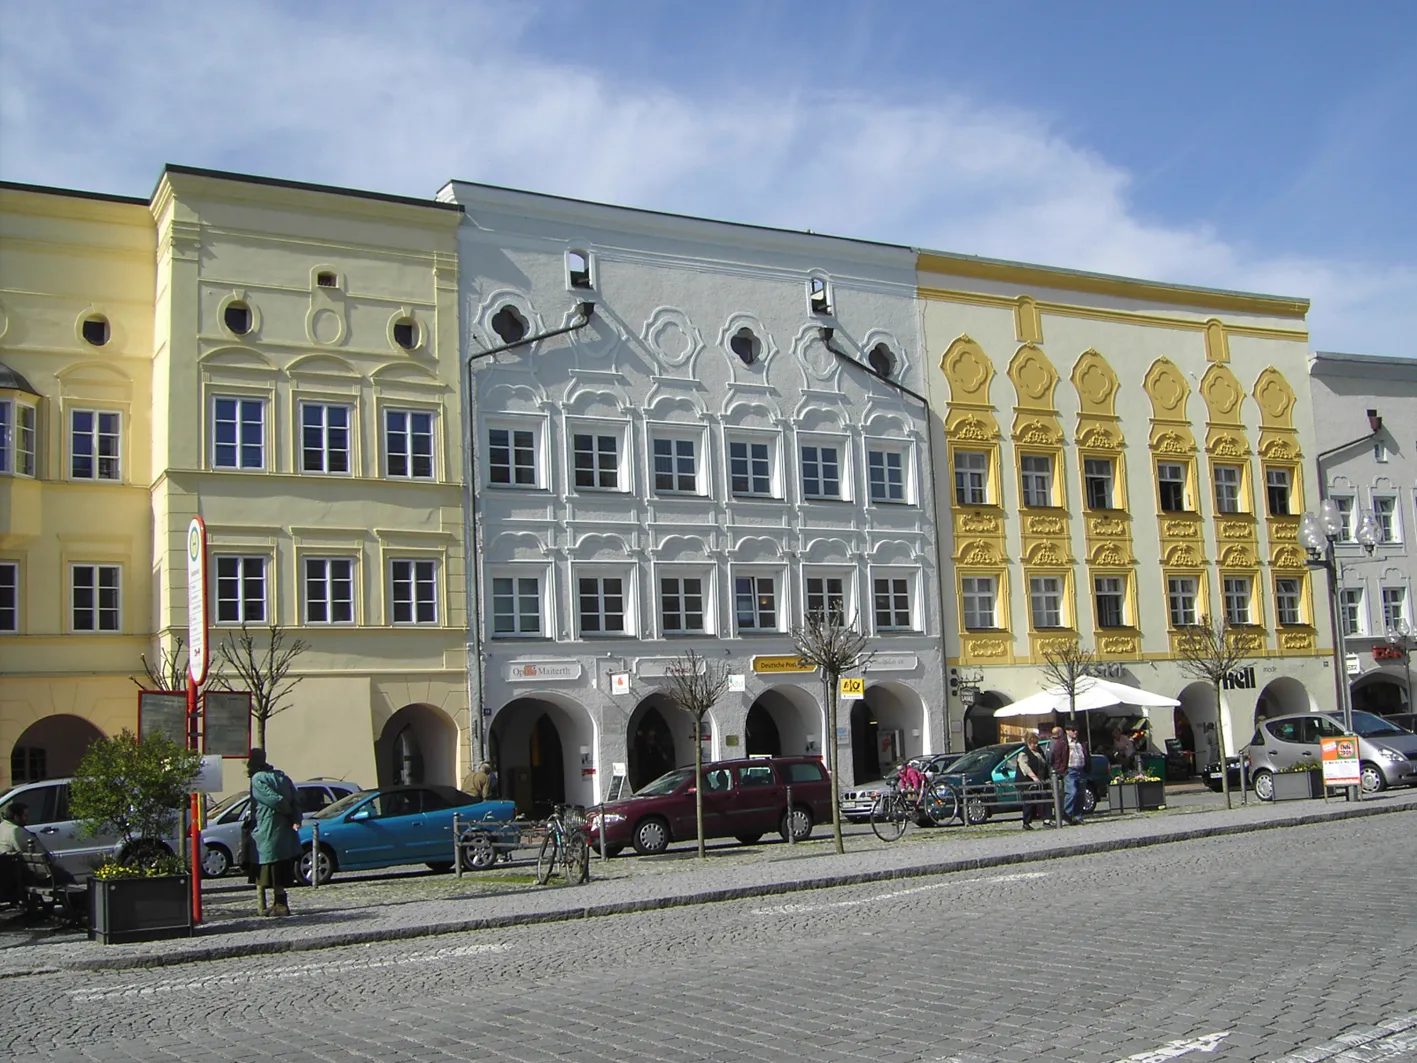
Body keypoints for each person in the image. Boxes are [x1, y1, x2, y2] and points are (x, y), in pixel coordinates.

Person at [247, 748, 301, 917]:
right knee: (279, 866)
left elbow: (273, 799)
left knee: (272, 868)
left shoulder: (258, 779)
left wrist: (287, 811)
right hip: (283, 829)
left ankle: (281, 904)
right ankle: (277, 902)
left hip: (268, 829)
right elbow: (296, 799)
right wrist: (294, 817)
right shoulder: (282, 777)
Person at [0, 802, 76, 885]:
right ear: (16, 817)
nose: (27, 818)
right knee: (66, 876)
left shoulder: (2, 827)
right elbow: (42, 856)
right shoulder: (18, 832)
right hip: (28, 878)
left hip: (9, 876)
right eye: (25, 816)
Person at [1016, 733, 1051, 831]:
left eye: (1036, 743)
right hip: (1027, 781)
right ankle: (1026, 822)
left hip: (1041, 780)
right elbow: (1025, 767)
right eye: (1033, 743)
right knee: (1029, 801)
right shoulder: (1023, 753)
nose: (1036, 745)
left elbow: (1044, 763)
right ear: (1028, 743)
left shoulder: (1039, 751)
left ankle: (1047, 820)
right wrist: (1034, 777)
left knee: (1045, 798)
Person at [1063, 722, 1090, 826]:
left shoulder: (1081, 742)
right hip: (1070, 770)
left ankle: (1078, 816)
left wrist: (1088, 766)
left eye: (1076, 730)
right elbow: (1056, 756)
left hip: (1081, 769)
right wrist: (1062, 770)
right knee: (1072, 792)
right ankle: (1066, 813)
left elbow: (1086, 754)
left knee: (1081, 794)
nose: (1075, 732)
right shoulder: (1064, 743)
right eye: (1073, 730)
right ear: (1067, 731)